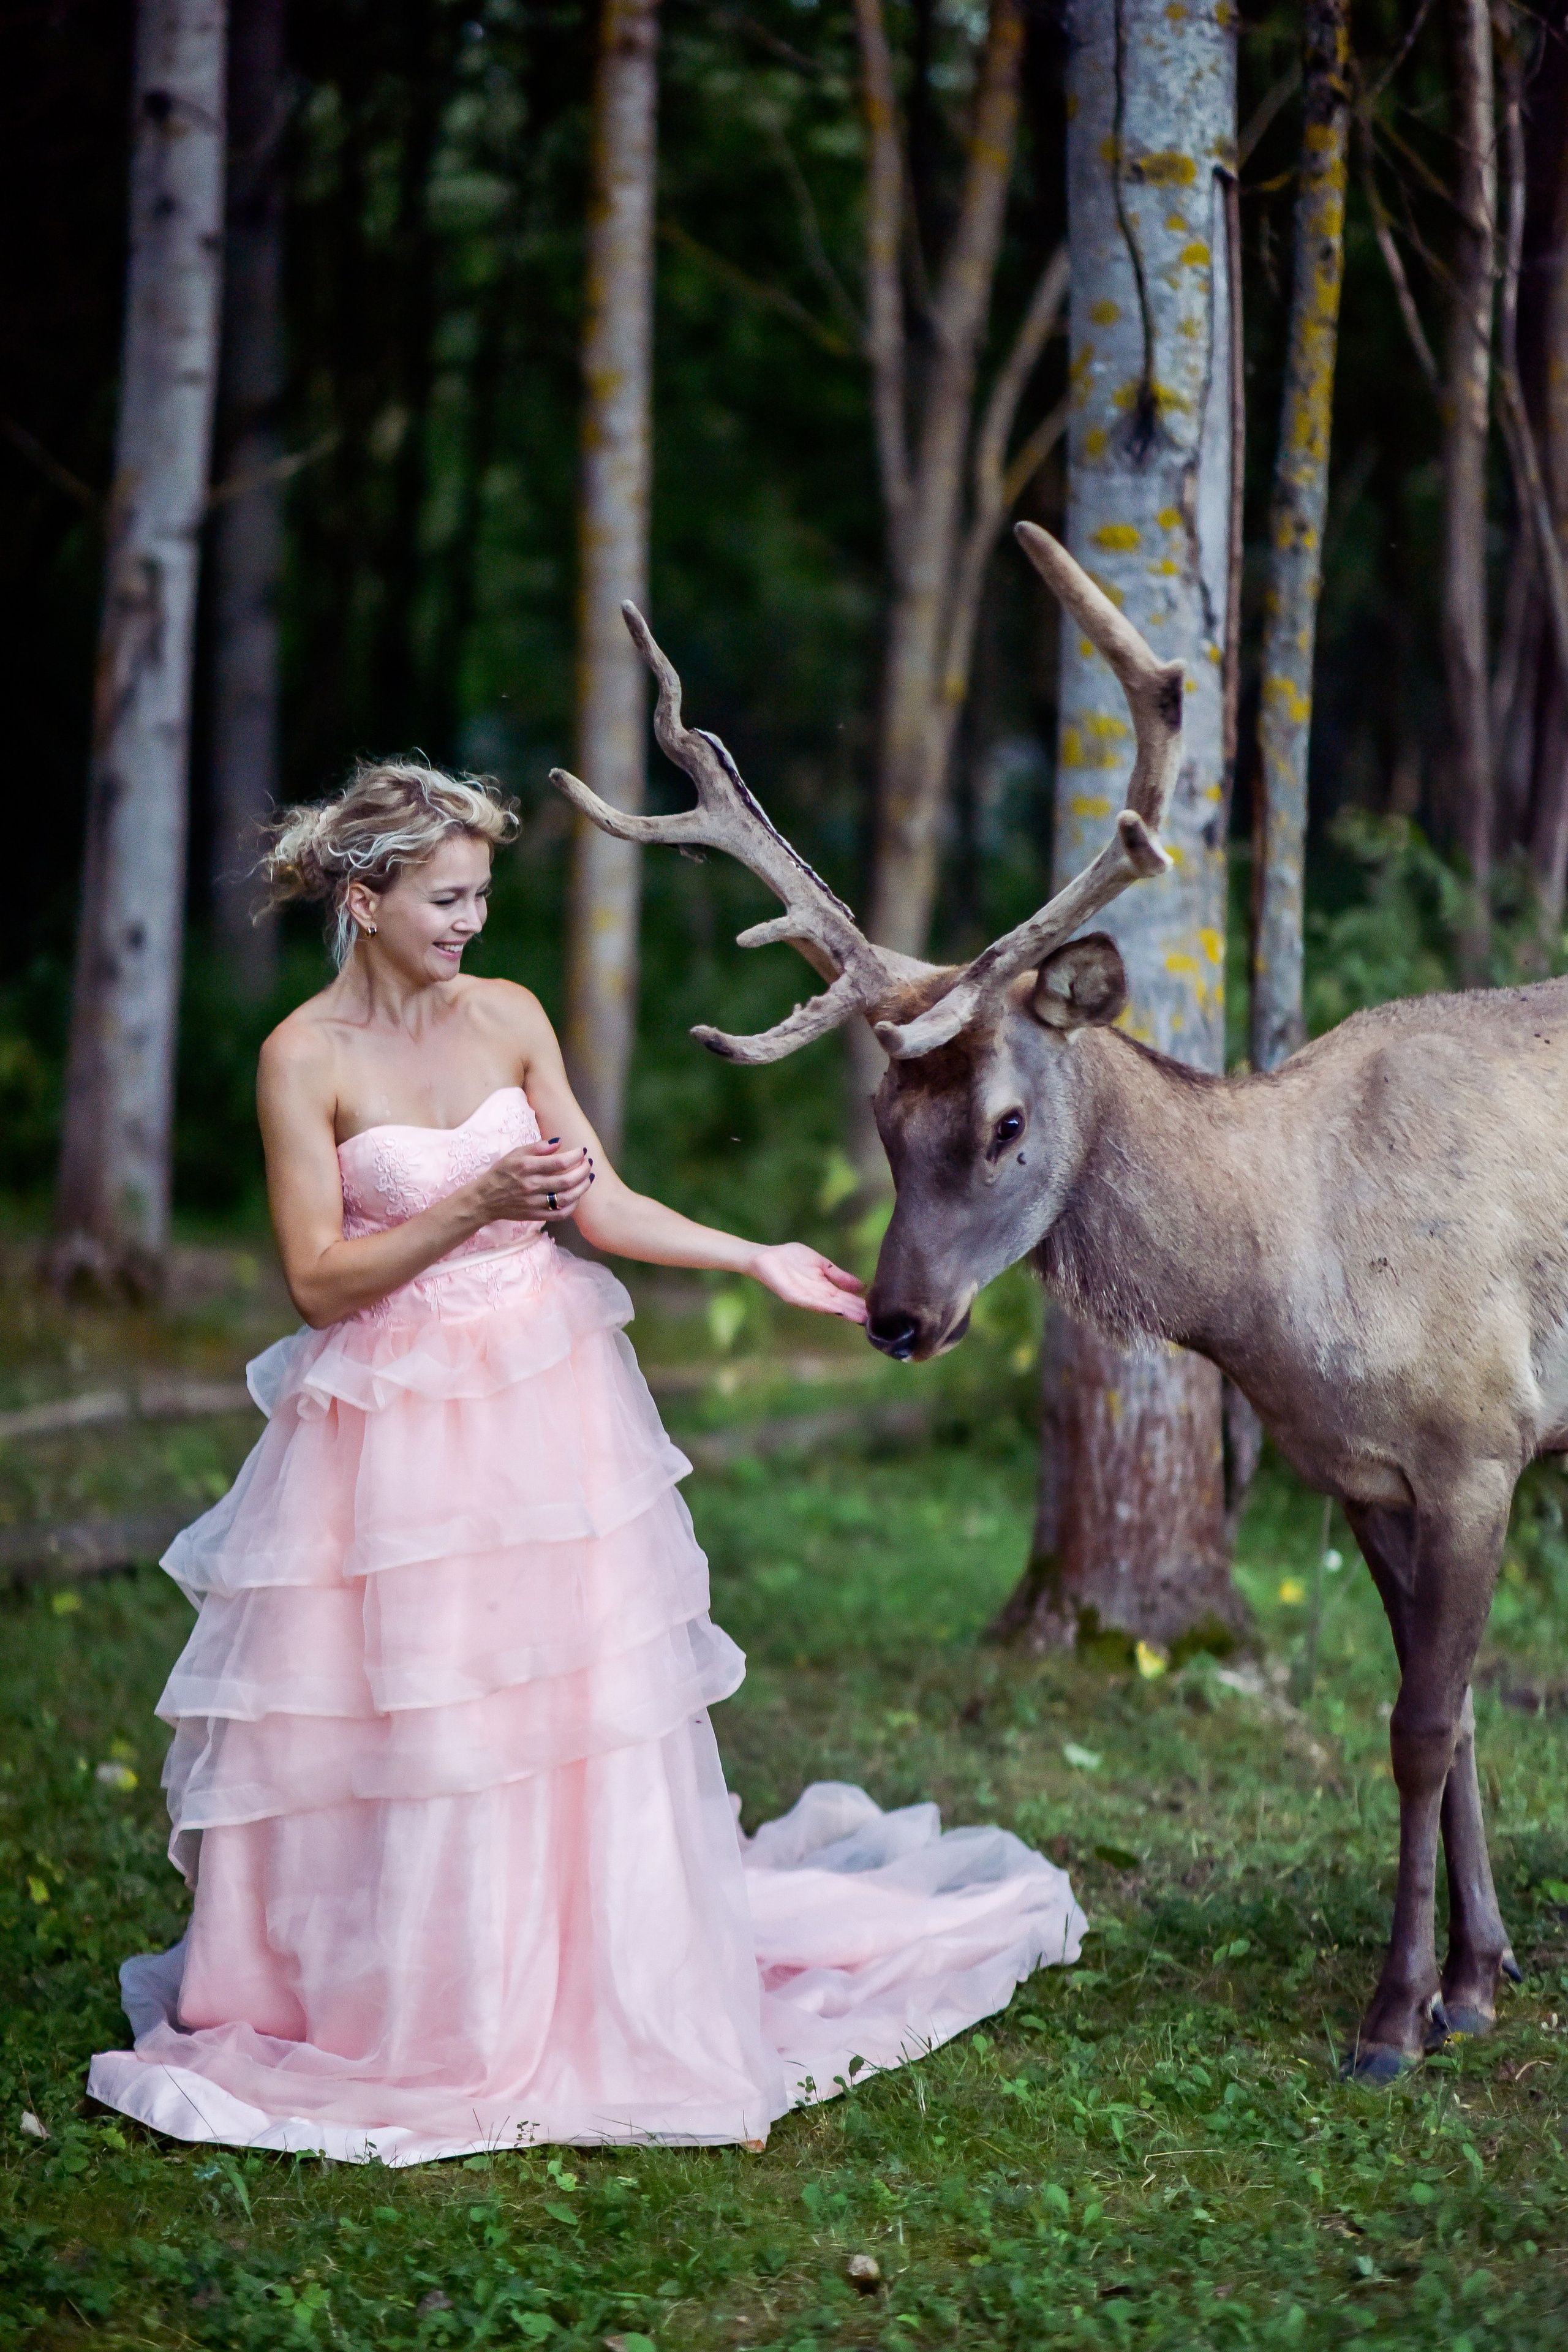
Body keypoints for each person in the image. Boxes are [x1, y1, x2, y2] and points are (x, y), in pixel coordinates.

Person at [88, 762, 1085, 2163]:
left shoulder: (509, 1018)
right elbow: (318, 1281)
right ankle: (401, 1996)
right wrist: (479, 1205)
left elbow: (597, 1200)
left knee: (556, 1703)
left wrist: (754, 1253)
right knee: (408, 1712)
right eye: (444, 898)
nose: (470, 922)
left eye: (483, 895)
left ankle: (563, 1981)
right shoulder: (301, 1057)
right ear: (362, 898)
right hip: (385, 1421)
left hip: (544, 1396)